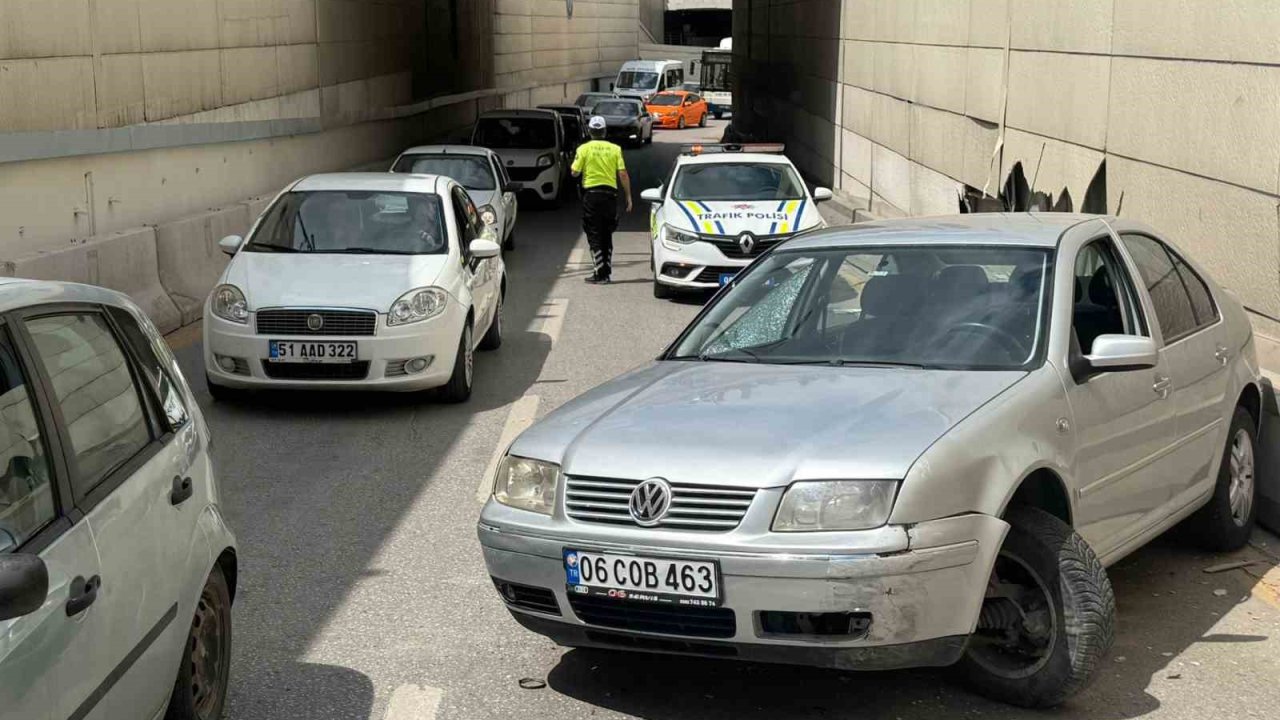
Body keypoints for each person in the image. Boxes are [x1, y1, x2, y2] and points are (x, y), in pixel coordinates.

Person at [571, 115, 632, 284]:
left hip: (591, 195)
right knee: (607, 232)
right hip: (610, 196)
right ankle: (606, 270)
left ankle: (600, 273)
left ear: (590, 131)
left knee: (594, 233)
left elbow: (574, 172)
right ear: (604, 131)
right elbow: (623, 174)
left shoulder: (583, 149)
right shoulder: (615, 149)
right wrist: (628, 196)